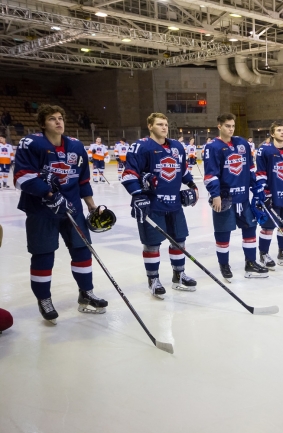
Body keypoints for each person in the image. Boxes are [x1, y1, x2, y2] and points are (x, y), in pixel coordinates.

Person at [14, 104, 107, 324]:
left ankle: (86, 293)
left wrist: (92, 206)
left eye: (60, 118)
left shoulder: (76, 146)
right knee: (44, 255)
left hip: (72, 209)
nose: (58, 122)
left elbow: (82, 179)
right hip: (41, 212)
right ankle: (44, 299)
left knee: (83, 251)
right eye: (52, 119)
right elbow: (22, 177)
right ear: (43, 124)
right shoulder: (31, 143)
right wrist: (48, 194)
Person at [122, 112, 199, 298]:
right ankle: (153, 279)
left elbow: (182, 171)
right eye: (159, 124)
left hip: (174, 203)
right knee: (152, 244)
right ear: (150, 126)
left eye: (165, 124)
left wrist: (192, 185)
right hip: (152, 204)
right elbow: (129, 174)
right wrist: (138, 195)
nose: (164, 127)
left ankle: (179, 275)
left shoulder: (177, 147)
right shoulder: (140, 147)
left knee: (179, 240)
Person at [203, 113, 268, 280]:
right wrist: (215, 194)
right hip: (225, 198)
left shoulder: (242, 143)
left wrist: (257, 187)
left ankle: (251, 263)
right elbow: (211, 174)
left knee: (250, 228)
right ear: (219, 126)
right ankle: (224, 265)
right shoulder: (213, 147)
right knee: (223, 232)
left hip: (244, 197)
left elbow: (251, 168)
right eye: (227, 126)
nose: (231, 129)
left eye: (232, 126)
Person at [255, 122, 283, 269]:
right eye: (279, 130)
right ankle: (263, 254)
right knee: (267, 227)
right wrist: (264, 193)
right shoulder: (264, 150)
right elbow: (260, 173)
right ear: (272, 134)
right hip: (272, 196)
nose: (282, 132)